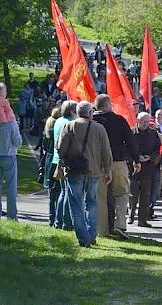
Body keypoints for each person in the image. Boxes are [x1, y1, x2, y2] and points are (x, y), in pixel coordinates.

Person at [57, 101, 112, 247]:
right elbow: (106, 152)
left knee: (76, 204)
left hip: (75, 170)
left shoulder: (69, 126)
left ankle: (83, 237)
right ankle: (92, 234)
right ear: (90, 113)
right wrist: (108, 170)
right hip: (94, 171)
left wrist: (64, 160)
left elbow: (61, 148)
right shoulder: (99, 128)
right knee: (92, 203)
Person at [93, 94, 140, 239]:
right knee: (122, 193)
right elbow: (130, 141)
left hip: (97, 164)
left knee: (100, 196)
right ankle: (119, 224)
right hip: (118, 162)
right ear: (107, 105)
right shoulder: (119, 120)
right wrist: (136, 160)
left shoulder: (91, 121)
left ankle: (102, 227)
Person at [128, 112, 161, 227]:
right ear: (138, 121)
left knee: (145, 195)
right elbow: (126, 148)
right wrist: (136, 158)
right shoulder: (131, 133)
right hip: (134, 168)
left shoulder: (153, 134)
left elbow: (158, 149)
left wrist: (150, 157)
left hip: (148, 168)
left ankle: (142, 220)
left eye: (147, 122)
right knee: (133, 193)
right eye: (143, 122)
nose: (146, 124)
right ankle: (131, 215)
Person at [51, 100, 77, 230]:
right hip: (65, 160)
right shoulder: (69, 123)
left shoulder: (59, 121)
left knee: (63, 191)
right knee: (67, 192)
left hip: (57, 159)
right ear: (73, 111)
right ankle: (65, 222)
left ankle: (58, 221)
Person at [0, 103, 22, 220]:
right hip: (9, 156)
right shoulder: (11, 124)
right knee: (11, 188)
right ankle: (12, 216)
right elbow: (18, 142)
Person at [42, 107, 61, 226]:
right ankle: (57, 218)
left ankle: (51, 218)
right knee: (58, 192)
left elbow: (43, 148)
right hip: (55, 161)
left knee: (51, 194)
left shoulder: (47, 131)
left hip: (48, 161)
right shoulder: (57, 131)